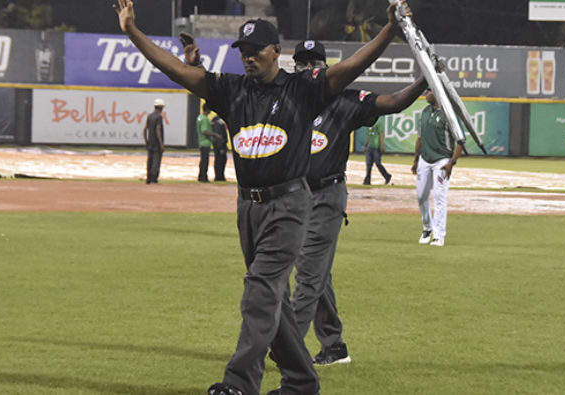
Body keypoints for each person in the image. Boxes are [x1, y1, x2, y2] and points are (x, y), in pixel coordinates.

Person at [111, 1, 410, 394]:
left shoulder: (303, 90)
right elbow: (176, 68)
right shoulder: (231, 91)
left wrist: (389, 30)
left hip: (289, 205)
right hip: (247, 208)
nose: (248, 58)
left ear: (276, 53)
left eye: (255, 51)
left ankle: (239, 383)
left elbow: (351, 66)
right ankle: (302, 382)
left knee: (259, 291)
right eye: (243, 52)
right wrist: (132, 31)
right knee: (275, 302)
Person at [287, 39, 429, 370]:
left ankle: (287, 351)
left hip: (326, 197)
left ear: (324, 67)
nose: (307, 69)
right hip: (296, 197)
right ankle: (333, 345)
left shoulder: (344, 101)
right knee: (317, 273)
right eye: (301, 63)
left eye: (314, 63)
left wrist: (424, 80)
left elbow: (393, 102)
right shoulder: (288, 99)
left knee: (307, 274)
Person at [412, 88, 464, 247]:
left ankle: (439, 235)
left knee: (439, 198)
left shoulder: (450, 115)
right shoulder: (424, 112)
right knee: (421, 196)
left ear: (437, 93)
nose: (425, 94)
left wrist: (452, 163)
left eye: (428, 91)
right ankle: (427, 228)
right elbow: (420, 138)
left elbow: (461, 142)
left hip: (442, 160)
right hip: (424, 159)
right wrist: (415, 160)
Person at [362, 117, 392, 185]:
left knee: (378, 163)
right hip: (370, 146)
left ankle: (387, 176)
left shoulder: (379, 122)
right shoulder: (368, 124)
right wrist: (366, 145)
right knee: (368, 164)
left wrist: (382, 145)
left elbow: (381, 134)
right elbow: (368, 135)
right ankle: (367, 180)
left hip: (376, 146)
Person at [196, 104, 221, 182]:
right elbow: (205, 131)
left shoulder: (199, 117)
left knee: (203, 160)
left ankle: (201, 176)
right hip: (206, 142)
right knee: (205, 161)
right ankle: (203, 177)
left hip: (201, 141)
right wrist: (215, 134)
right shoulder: (205, 119)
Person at [143, 98, 165, 184]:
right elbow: (158, 130)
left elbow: (145, 129)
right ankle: (154, 178)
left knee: (150, 160)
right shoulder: (159, 117)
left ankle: (148, 178)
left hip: (150, 142)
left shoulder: (150, 116)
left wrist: (146, 141)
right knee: (156, 161)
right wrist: (161, 144)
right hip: (156, 143)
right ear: (160, 107)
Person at [212, 112, 229, 182]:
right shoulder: (219, 122)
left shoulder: (214, 120)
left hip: (217, 144)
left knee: (219, 160)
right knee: (220, 160)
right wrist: (221, 147)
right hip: (220, 145)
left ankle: (219, 176)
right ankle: (219, 177)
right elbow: (219, 135)